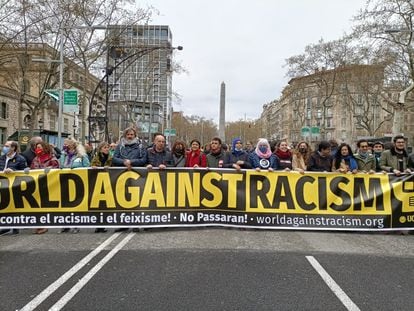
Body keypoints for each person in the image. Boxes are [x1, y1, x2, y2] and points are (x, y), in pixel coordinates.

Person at [59, 138, 90, 233]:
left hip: (78, 182)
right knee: (65, 204)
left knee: (76, 204)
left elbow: (87, 166)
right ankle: (66, 225)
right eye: (64, 144)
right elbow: (61, 166)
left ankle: (76, 225)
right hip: (65, 181)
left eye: (66, 143)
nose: (65, 145)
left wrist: (75, 169)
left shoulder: (81, 155)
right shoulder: (63, 154)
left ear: (72, 144)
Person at [30, 141, 60, 234]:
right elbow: (32, 169)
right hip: (37, 184)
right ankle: (39, 224)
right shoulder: (35, 159)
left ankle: (44, 225)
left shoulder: (51, 157)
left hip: (48, 184)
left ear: (45, 148)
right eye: (36, 147)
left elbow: (57, 167)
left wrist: (50, 168)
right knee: (37, 206)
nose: (37, 149)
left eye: (39, 147)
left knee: (45, 205)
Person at [0, 141, 27, 235]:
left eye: (7, 146)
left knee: (15, 205)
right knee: (4, 205)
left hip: (15, 186)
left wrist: (13, 171)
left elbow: (25, 172)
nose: (5, 148)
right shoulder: (2, 158)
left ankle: (15, 227)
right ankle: (5, 226)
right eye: (5, 146)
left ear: (13, 148)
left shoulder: (20, 159)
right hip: (3, 186)